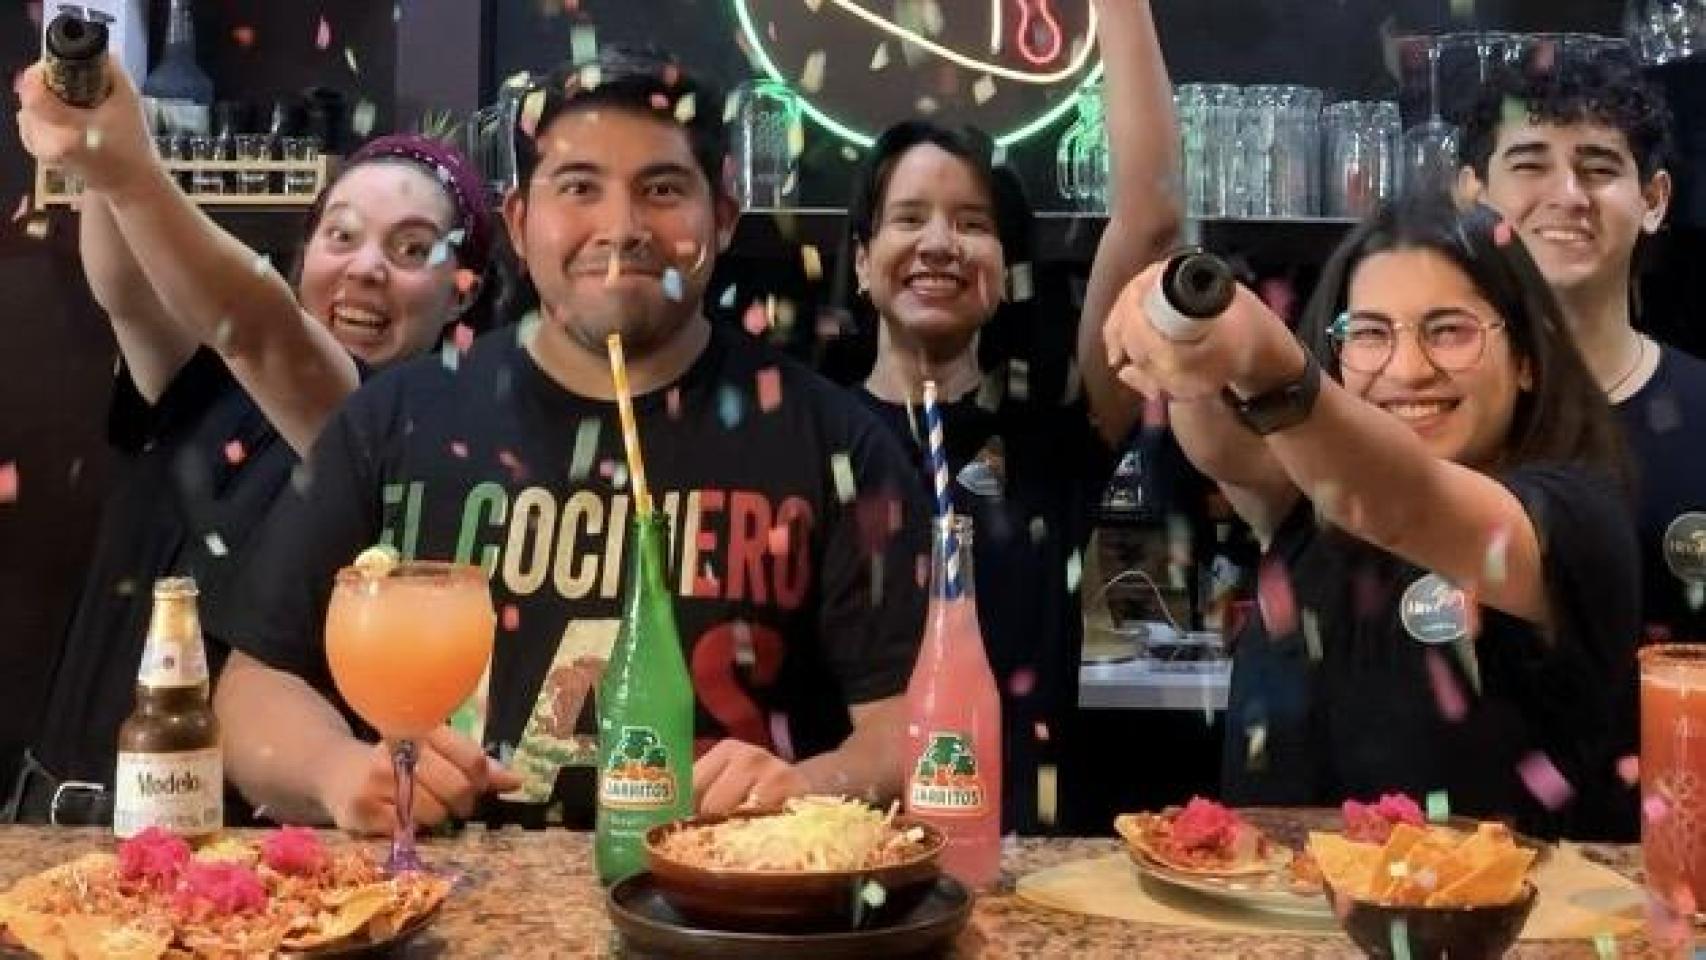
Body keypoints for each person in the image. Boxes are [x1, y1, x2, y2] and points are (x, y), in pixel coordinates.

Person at [204, 46, 931, 835]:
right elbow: (251, 688)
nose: (620, 230)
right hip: (444, 913)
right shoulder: (394, 421)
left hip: (726, 919)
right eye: (579, 187)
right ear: (520, 222)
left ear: (721, 217)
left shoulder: (836, 446)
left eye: (662, 189)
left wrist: (807, 784)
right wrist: (338, 771)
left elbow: (919, 730)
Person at [9, 59, 493, 825]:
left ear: (461, 297)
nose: (365, 267)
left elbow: (262, 330)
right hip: (48, 824)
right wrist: (99, 154)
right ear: (308, 255)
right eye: (342, 234)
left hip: (222, 868)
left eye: (410, 250)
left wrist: (132, 169)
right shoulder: (202, 383)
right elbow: (129, 288)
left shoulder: (405, 441)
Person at [1105, 197, 1640, 840]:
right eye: (1369, 333)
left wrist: (1270, 362)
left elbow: (1399, 501)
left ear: (1526, 357)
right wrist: (1192, 344)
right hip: (1277, 928)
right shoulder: (1305, 504)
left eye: (1449, 330)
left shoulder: (1571, 520)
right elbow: (1225, 446)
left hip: (1492, 932)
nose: (1408, 371)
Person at [839, 0, 1180, 833]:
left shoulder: (1052, 425)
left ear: (1006, 268)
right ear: (861, 260)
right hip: (836, 849)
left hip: (1023, 848)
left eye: (973, 224)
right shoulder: (811, 431)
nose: (940, 244)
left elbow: (1152, 216)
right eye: (909, 218)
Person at [1459, 53, 1706, 644]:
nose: (1568, 194)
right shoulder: (1434, 408)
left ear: (1654, 200)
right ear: (1472, 195)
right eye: (1529, 164)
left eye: (1598, 167)